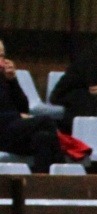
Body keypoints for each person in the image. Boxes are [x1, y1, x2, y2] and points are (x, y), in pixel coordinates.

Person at [0, 38, 62, 174]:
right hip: (3, 130)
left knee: (44, 138)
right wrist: (17, 116)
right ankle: (62, 176)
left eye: (3, 56)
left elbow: (24, 107)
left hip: (13, 130)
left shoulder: (4, 78)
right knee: (46, 121)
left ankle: (42, 183)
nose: (2, 61)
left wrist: (12, 81)